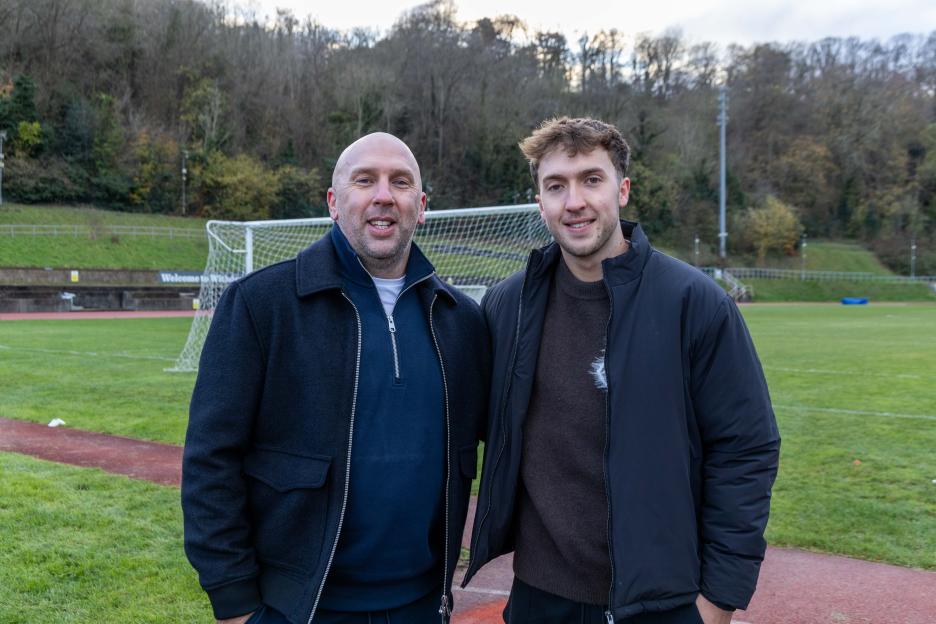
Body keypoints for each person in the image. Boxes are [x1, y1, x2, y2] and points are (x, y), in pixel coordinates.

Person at [463, 117, 780, 624]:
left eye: (592, 179)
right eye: (556, 186)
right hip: (539, 599)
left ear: (623, 190)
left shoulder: (694, 303)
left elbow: (746, 449)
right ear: (540, 201)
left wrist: (718, 600)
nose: (575, 202)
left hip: (662, 601)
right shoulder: (507, 306)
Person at [182, 133, 488, 624]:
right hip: (297, 609)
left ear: (422, 205)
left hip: (422, 606)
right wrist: (235, 600)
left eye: (401, 182)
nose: (383, 195)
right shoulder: (262, 305)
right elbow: (210, 460)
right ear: (333, 201)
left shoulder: (461, 320)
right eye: (364, 180)